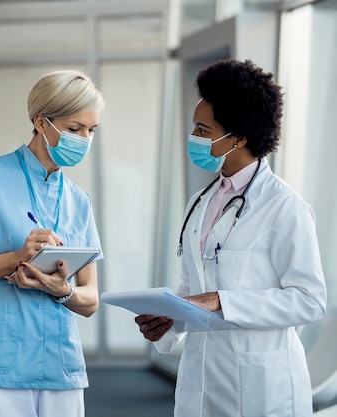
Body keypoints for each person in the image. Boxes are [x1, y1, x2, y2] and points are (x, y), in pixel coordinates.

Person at [135, 59, 327, 417]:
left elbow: (309, 301)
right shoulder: (201, 202)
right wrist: (169, 320)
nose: (194, 137)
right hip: (201, 379)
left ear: (239, 137)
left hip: (262, 387)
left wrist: (222, 301)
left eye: (203, 129)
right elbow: (193, 286)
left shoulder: (284, 207)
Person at [0, 69, 104, 417]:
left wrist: (62, 290)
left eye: (91, 130)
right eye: (74, 129)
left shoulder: (78, 200)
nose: (84, 139)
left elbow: (90, 300)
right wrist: (16, 258)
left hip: (60, 365)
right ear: (41, 122)